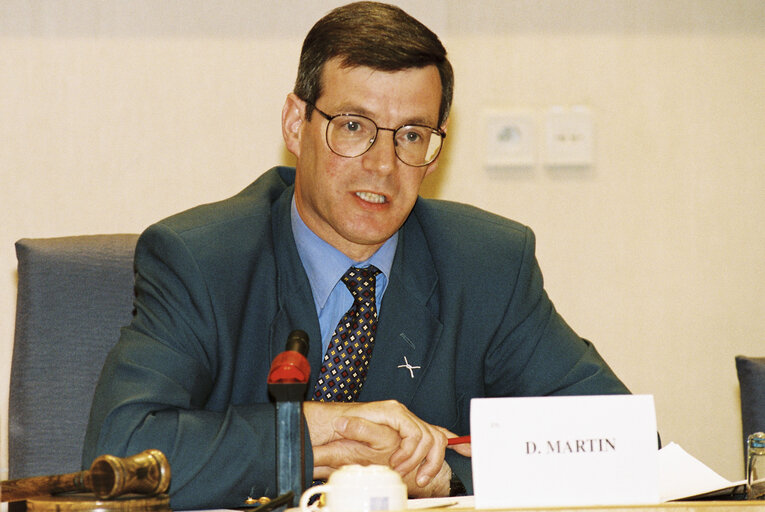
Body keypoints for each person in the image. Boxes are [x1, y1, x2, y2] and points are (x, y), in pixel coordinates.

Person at [83, 2, 629, 509]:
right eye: (353, 127)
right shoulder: (201, 259)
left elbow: (618, 439)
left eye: (411, 135)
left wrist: (448, 476)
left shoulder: (488, 265)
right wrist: (314, 433)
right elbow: (121, 449)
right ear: (297, 125)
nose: (383, 165)